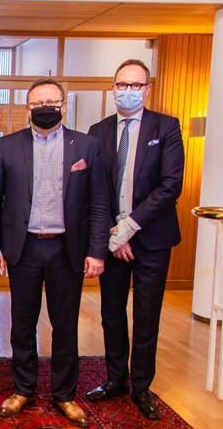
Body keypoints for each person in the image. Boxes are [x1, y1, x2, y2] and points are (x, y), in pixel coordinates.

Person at [0, 79, 110, 428]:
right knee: (22, 324)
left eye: (52, 102)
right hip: (23, 248)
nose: (45, 108)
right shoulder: (7, 146)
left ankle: (64, 394)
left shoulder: (87, 146)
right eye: (37, 103)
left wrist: (97, 251)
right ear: (27, 108)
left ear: (64, 106)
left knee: (65, 325)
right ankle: (23, 389)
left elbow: (99, 203)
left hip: (67, 248)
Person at [85, 59, 184, 420]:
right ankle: (116, 379)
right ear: (112, 87)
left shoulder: (166, 127)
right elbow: (96, 187)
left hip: (152, 239)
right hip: (112, 240)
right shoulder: (98, 131)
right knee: (111, 312)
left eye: (136, 85)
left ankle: (141, 386)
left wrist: (130, 226)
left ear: (147, 89)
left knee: (146, 315)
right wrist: (115, 230)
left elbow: (170, 185)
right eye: (122, 84)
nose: (128, 91)